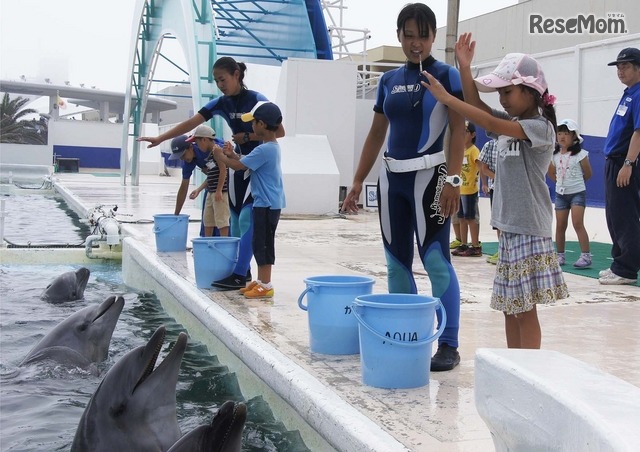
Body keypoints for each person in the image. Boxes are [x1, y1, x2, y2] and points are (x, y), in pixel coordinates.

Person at [421, 32, 569, 349]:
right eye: (499, 92)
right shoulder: (512, 120)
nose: (502, 98)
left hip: (528, 229)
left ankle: (528, 372)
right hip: (509, 229)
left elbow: (486, 117)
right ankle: (514, 367)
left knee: (524, 310)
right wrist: (464, 66)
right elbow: (478, 104)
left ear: (532, 92)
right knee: (509, 308)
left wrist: (447, 99)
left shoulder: (539, 128)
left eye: (509, 91)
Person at [341, 3, 466, 372]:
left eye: (423, 35)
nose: (415, 44)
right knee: (396, 264)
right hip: (392, 180)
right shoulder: (388, 80)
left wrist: (454, 180)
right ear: (399, 36)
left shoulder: (446, 75)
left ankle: (448, 343)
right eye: (408, 35)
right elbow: (377, 133)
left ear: (433, 37)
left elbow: (459, 129)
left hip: (431, 179)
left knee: (436, 261)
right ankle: (406, 335)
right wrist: (358, 179)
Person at [139, 56, 284, 290]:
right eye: (216, 81)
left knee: (250, 221)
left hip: (254, 166)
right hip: (238, 163)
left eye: (223, 79)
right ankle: (244, 272)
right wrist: (160, 138)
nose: (220, 85)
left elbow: (279, 131)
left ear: (237, 75)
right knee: (236, 220)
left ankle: (240, 274)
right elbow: (190, 124)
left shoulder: (256, 101)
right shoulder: (221, 103)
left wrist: (247, 137)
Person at [213, 101, 285, 299]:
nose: (250, 127)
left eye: (253, 123)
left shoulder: (265, 149)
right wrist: (231, 153)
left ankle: (267, 285)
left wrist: (221, 156)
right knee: (259, 242)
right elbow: (243, 161)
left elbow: (238, 167)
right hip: (267, 202)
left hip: (267, 204)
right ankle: (261, 282)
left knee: (263, 245)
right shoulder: (268, 147)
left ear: (261, 124)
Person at [599, 47, 640, 285]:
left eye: (625, 66)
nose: (620, 71)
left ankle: (626, 268)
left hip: (625, 162)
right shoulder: (628, 93)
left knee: (625, 216)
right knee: (614, 215)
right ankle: (619, 263)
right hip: (613, 161)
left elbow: (638, 132)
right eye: (618, 67)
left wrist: (628, 163)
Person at [547, 119, 592, 268]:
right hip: (561, 195)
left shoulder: (581, 154)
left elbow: (588, 173)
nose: (562, 136)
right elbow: (551, 173)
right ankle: (560, 255)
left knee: (578, 223)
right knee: (560, 225)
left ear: (574, 136)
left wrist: (575, 185)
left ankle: (585, 256)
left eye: (566, 133)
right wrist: (560, 183)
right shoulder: (553, 155)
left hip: (577, 193)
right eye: (559, 133)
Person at [187, 125, 230, 237]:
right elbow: (211, 175)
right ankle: (207, 243)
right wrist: (199, 190)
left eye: (197, 142)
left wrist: (219, 190)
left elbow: (223, 170)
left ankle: (224, 243)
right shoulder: (210, 154)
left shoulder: (217, 151)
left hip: (219, 192)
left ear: (204, 139)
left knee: (222, 220)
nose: (196, 145)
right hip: (211, 191)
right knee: (208, 220)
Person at [451, 121, 482, 257]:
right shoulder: (460, 150)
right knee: (461, 217)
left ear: (473, 134)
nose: (463, 134)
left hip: (470, 190)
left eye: (466, 131)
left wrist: (484, 182)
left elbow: (480, 166)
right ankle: (464, 244)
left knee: (471, 218)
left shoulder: (473, 151)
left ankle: (475, 246)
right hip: (460, 189)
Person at [167, 135, 210, 215]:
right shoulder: (188, 162)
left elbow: (221, 170)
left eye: (183, 155)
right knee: (207, 219)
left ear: (190, 147)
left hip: (228, 178)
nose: (182, 159)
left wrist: (199, 189)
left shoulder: (205, 149)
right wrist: (176, 215)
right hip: (213, 181)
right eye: (180, 157)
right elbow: (183, 187)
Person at [478, 137, 500, 264]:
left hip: (512, 188)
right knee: (498, 221)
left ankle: (508, 251)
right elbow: (484, 167)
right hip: (495, 187)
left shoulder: (513, 142)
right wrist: (485, 183)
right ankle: (501, 249)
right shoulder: (489, 145)